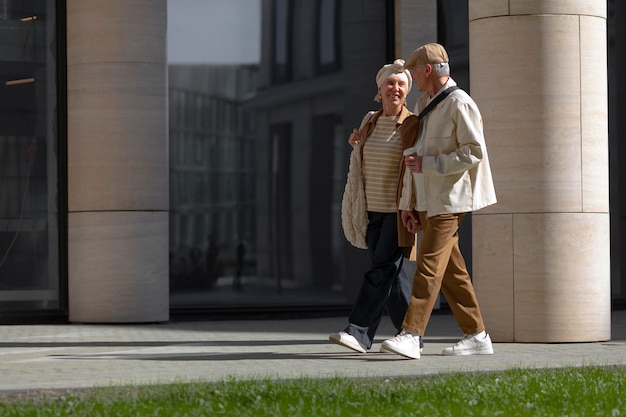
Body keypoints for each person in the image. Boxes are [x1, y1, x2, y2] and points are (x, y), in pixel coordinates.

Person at [381, 43, 497, 359]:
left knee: (429, 264)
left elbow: (474, 152)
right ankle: (477, 335)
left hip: (451, 199)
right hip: (430, 200)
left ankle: (411, 333)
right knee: (450, 270)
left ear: (428, 70)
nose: (413, 79)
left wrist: (431, 165)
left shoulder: (460, 104)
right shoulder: (424, 103)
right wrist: (410, 203)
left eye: (414, 73)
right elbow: (412, 158)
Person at [329, 59, 419, 353]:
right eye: (390, 83)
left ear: (408, 91)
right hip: (370, 210)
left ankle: (358, 332)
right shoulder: (370, 118)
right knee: (391, 275)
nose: (395, 88)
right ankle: (412, 333)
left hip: (398, 211)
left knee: (381, 270)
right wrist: (356, 141)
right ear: (380, 89)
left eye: (401, 84)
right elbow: (362, 155)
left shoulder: (412, 123)